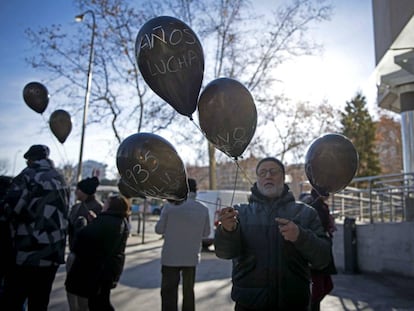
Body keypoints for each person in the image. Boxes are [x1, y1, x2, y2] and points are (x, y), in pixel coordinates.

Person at [214, 157, 332, 310]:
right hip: (249, 304)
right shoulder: (240, 213)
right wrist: (227, 231)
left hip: (294, 304)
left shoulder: (306, 213)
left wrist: (300, 236)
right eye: (262, 173)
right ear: (257, 180)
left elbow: (323, 259)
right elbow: (224, 253)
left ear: (283, 178)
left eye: (273, 172)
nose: (268, 176)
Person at [1, 145, 70, 311]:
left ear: (30, 159)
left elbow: (10, 209)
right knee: (39, 302)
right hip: (53, 252)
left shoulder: (28, 175)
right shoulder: (61, 179)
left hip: (28, 251)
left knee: (13, 301)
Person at [65, 195, 130, 311]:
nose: (104, 204)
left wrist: (83, 226)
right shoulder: (119, 220)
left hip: (97, 270)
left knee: (98, 303)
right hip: (108, 269)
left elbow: (84, 239)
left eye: (106, 203)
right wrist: (95, 221)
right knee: (101, 301)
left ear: (111, 206)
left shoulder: (106, 220)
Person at [155, 178, 211, 311]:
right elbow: (206, 233)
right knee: (188, 292)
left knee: (169, 291)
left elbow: (159, 230)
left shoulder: (169, 207)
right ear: (195, 190)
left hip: (170, 257)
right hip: (191, 257)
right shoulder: (203, 209)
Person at [66, 176, 103, 311]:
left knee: (84, 298)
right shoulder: (76, 207)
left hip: (89, 259)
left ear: (86, 191)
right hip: (73, 254)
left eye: (78, 189)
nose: (76, 192)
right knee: (71, 291)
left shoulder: (99, 208)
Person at [301, 189, 337, 311]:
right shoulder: (314, 207)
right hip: (314, 255)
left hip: (321, 251)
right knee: (317, 292)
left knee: (323, 288)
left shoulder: (321, 207)